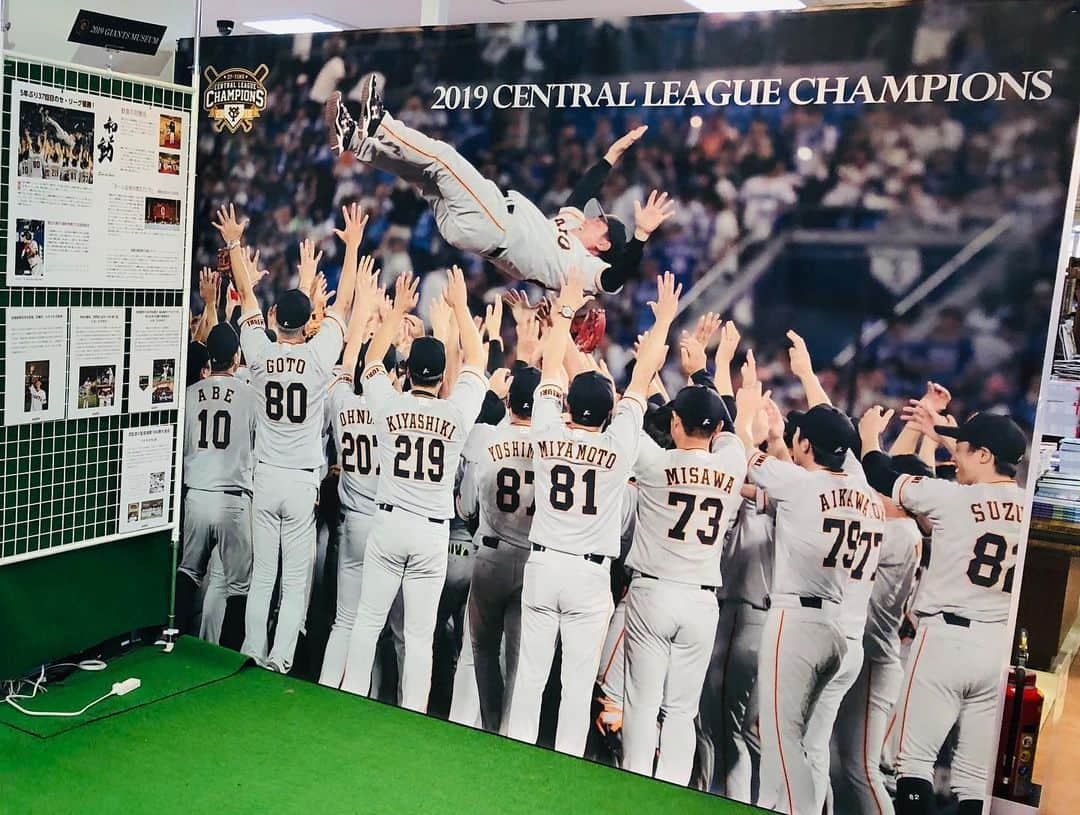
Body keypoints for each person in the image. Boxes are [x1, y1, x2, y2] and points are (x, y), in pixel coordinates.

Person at [504, 270, 680, 757]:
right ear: (607, 414)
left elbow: (552, 372)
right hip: (588, 576)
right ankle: (564, 768)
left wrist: (562, 311)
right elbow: (641, 381)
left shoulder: (545, 430)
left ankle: (510, 761)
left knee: (531, 678)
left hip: (542, 563)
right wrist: (663, 321)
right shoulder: (620, 443)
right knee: (577, 686)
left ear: (566, 408)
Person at [325, 74, 676, 295]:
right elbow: (583, 191)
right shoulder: (570, 226)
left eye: (601, 221)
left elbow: (617, 278)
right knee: (424, 174)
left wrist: (641, 236)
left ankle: (382, 124)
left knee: (443, 159)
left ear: (603, 242)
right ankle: (357, 142)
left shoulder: (584, 271)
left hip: (496, 229)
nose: (592, 216)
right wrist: (613, 153)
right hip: (483, 225)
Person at [214, 202, 362, 674]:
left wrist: (235, 243)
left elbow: (247, 297)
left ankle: (252, 651)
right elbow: (343, 306)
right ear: (307, 325)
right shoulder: (321, 355)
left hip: (265, 476)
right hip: (301, 482)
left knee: (263, 577)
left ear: (279, 321)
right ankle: (280, 659)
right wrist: (353, 247)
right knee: (294, 580)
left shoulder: (257, 350)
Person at [860, 407, 1027, 815]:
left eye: (964, 450)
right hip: (996, 648)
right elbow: (983, 470)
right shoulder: (1029, 508)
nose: (957, 458)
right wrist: (946, 436)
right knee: (973, 780)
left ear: (984, 455)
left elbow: (881, 473)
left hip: (946, 641)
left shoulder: (954, 497)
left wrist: (868, 438)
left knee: (913, 762)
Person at [340, 266, 488, 713]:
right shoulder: (457, 412)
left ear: (405, 371)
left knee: (367, 620)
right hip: (431, 532)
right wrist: (461, 309)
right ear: (443, 377)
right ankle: (414, 715)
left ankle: (348, 700)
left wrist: (396, 312)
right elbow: (478, 363)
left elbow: (369, 363)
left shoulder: (389, 403)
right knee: (420, 636)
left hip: (388, 521)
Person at [735, 393, 885, 815]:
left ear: (803, 444)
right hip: (844, 629)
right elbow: (844, 451)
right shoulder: (867, 492)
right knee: (810, 747)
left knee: (780, 738)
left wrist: (747, 407)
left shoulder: (800, 483)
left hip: (799, 621)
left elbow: (742, 451)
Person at [620, 384, 746, 785]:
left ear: (675, 421)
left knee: (642, 703)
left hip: (654, 593)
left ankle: (634, 790)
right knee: (681, 711)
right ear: (716, 428)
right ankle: (672, 791)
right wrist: (705, 373)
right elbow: (730, 436)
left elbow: (623, 426)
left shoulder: (655, 462)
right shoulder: (732, 464)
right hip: (701, 601)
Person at [457, 364, 542, 733]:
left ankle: (491, 726)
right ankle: (508, 730)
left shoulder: (486, 437)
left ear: (509, 401)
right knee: (518, 659)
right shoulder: (554, 445)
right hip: (531, 560)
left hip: (490, 554)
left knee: (482, 651)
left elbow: (466, 507)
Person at [174, 323, 258, 649]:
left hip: (196, 495)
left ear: (210, 357)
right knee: (238, 589)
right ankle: (227, 658)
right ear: (236, 357)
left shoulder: (190, 394)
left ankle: (173, 643)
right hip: (233, 499)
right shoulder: (250, 396)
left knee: (188, 574)